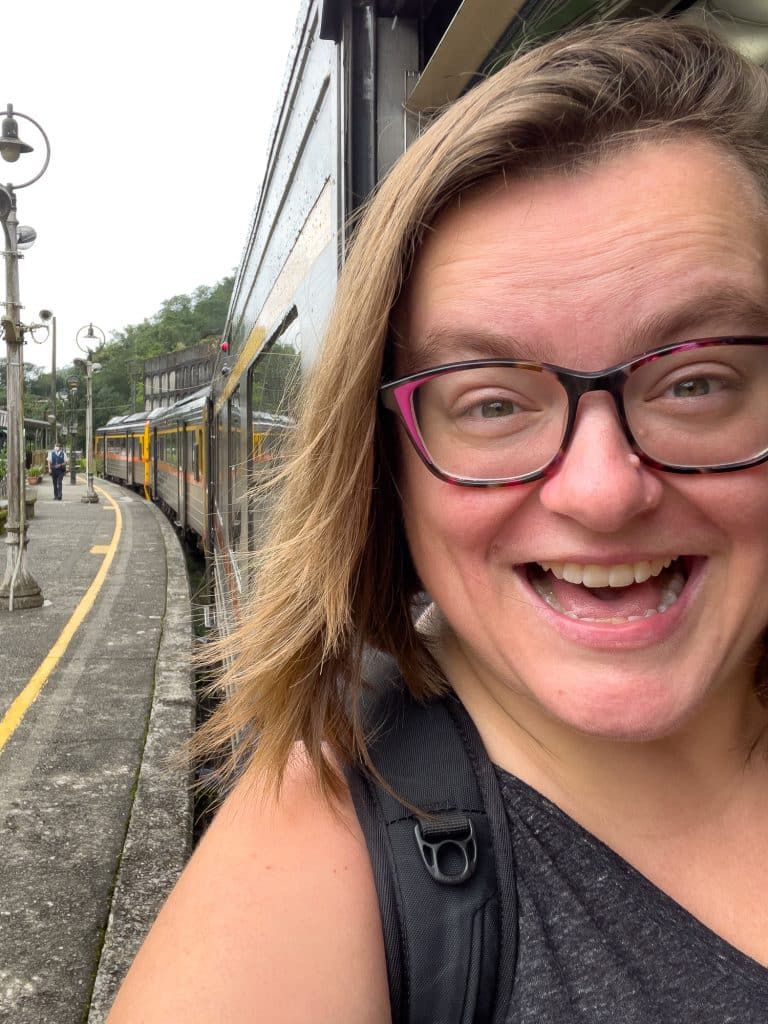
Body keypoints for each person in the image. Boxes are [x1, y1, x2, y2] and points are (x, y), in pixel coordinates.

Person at [106, 18, 768, 1022]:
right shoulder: (314, 864)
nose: (600, 490)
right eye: (491, 403)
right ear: (387, 472)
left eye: (698, 381)